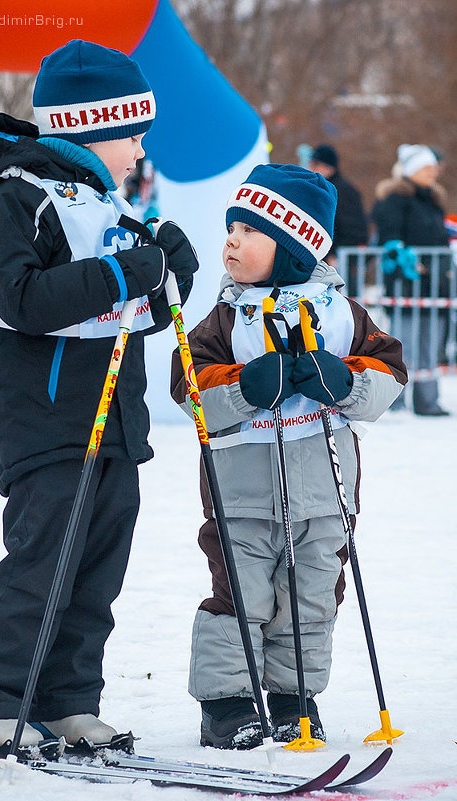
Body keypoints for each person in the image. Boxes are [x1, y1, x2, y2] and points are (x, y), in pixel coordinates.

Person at [0, 39, 198, 754]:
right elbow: (24, 298)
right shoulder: (14, 197)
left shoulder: (102, 201)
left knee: (96, 569)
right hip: (47, 420)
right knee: (41, 561)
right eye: (132, 133)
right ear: (91, 126)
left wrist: (165, 275)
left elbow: (127, 315)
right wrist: (125, 272)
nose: (140, 149)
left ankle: (63, 697)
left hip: (114, 422)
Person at [170, 164, 407, 749]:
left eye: (250, 233)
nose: (231, 241)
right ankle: (227, 703)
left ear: (297, 246)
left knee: (313, 593)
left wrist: (344, 380)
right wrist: (246, 385)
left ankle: (292, 698)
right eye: (231, 228)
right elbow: (187, 382)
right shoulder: (228, 318)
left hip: (324, 492)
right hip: (242, 494)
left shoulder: (342, 315)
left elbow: (390, 372)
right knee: (242, 594)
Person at [371, 144, 451, 416]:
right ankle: (395, 399)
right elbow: (388, 237)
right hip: (406, 282)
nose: (433, 172)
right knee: (403, 342)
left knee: (431, 341)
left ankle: (427, 400)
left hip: (434, 284)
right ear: (412, 170)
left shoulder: (434, 201)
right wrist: (404, 257)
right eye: (426, 168)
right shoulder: (394, 200)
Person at [309, 144, 368, 295]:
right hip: (331, 256)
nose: (310, 167)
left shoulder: (340, 191)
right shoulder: (324, 189)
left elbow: (351, 227)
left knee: (343, 302)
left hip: (340, 259)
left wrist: (332, 253)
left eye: (315, 164)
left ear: (329, 167)